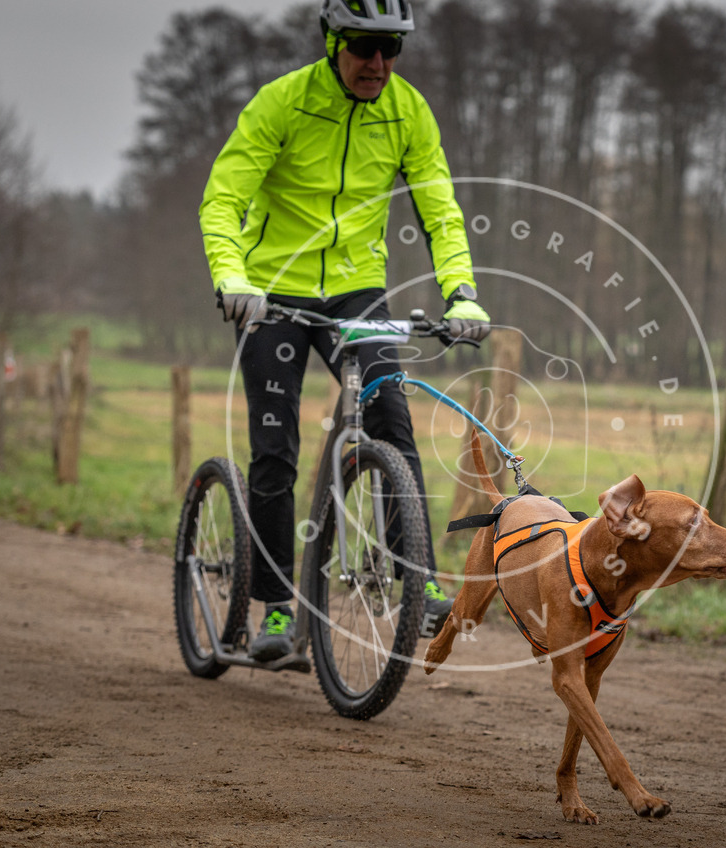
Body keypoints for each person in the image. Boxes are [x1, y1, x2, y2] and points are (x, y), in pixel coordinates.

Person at [199, 0, 490, 662]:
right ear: (333, 42)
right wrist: (233, 278)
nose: (379, 64)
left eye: (394, 49)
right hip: (272, 289)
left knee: (391, 417)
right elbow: (224, 198)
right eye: (365, 46)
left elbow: (440, 206)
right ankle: (275, 610)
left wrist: (462, 291)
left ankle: (415, 582)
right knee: (276, 448)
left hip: (357, 291)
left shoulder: (407, 110)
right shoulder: (284, 103)